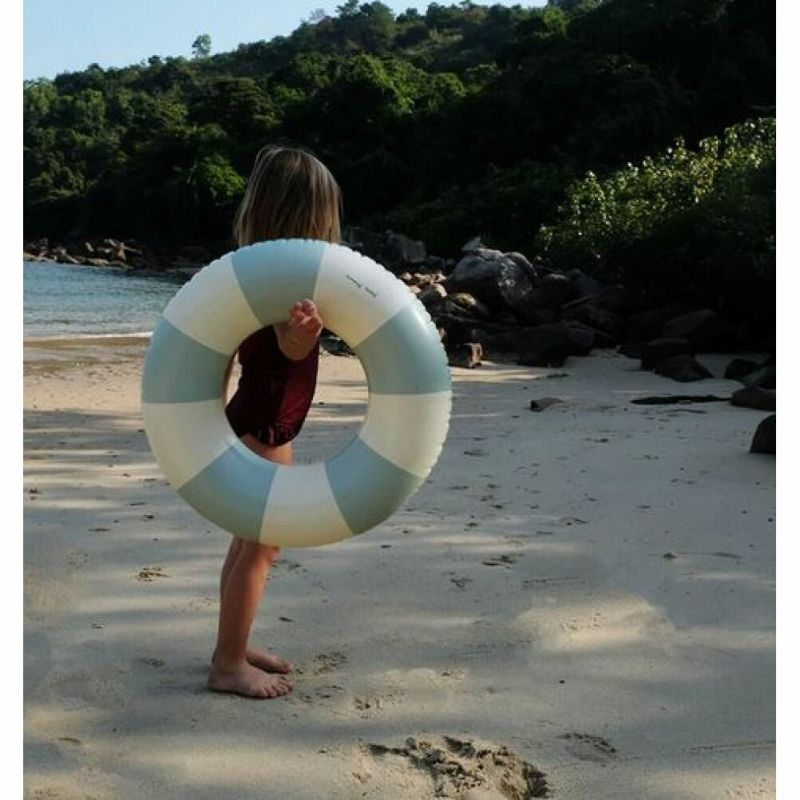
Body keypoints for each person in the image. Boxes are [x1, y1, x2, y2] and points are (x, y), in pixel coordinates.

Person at [208, 144, 343, 699]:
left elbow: (223, 352)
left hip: (256, 417)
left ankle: (233, 647)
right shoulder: (288, 286)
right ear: (311, 218)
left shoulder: (250, 275)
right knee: (262, 547)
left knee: (248, 542)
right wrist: (304, 336)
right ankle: (227, 664)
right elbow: (287, 348)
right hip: (266, 424)